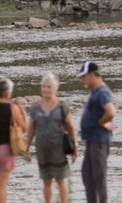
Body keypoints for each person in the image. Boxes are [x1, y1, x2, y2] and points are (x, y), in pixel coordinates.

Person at [26, 73, 79, 203]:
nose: (46, 89)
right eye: (44, 86)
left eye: (49, 87)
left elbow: (71, 128)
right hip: (42, 150)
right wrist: (26, 149)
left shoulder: (62, 106)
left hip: (59, 150)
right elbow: (31, 129)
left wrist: (75, 147)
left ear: (56, 88)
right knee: (46, 181)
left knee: (61, 180)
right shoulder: (35, 107)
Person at [77, 61, 116, 203]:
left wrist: (101, 122)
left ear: (92, 74)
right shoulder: (96, 92)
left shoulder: (102, 92)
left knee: (98, 177)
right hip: (91, 141)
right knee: (87, 176)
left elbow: (110, 111)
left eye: (83, 76)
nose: (82, 80)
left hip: (99, 141)